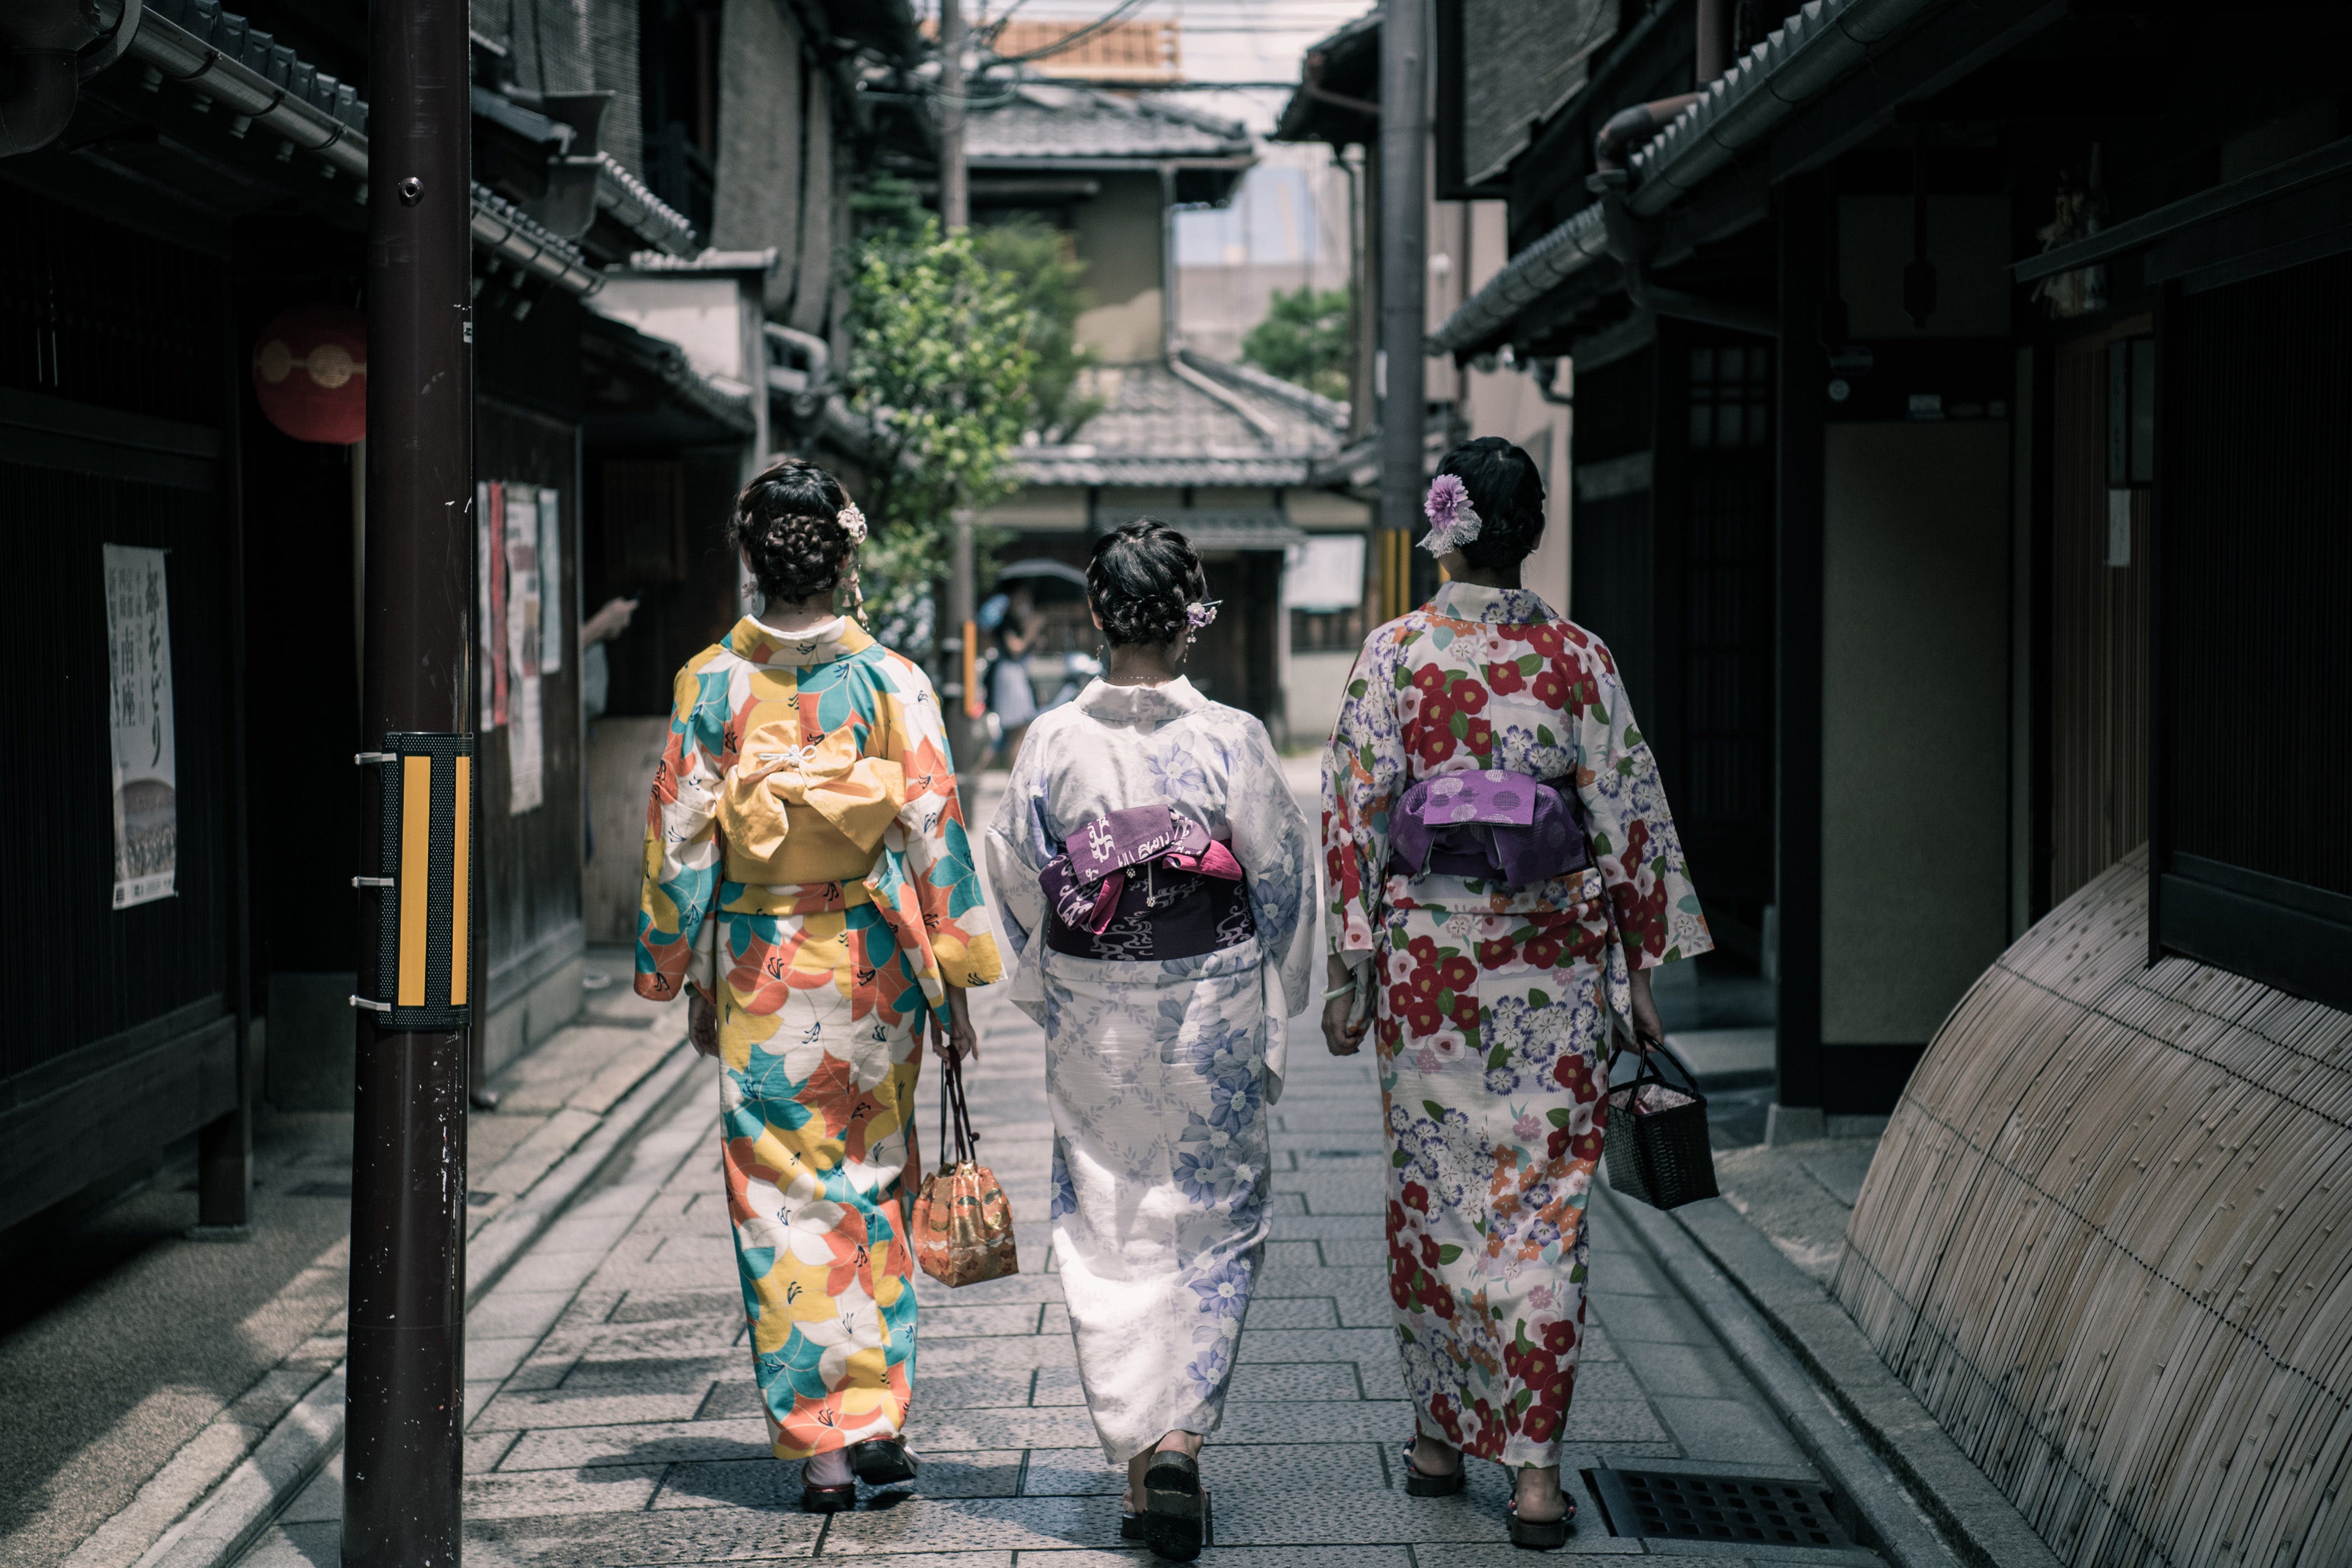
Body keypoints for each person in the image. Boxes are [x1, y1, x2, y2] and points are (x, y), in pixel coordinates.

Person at [1319, 438, 1711, 1550]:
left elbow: (1354, 817)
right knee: (1543, 1211)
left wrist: (1351, 974)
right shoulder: (1579, 659)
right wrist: (1641, 972)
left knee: (1437, 1198)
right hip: (1552, 966)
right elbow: (1630, 815)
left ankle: (1441, 1438)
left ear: (1441, 528)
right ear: (1530, 530)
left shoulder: (1395, 655)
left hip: (1432, 970)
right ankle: (1535, 1472)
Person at [634, 456, 1002, 1514]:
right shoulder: (893, 679)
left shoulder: (713, 681)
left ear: (751, 557)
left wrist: (678, 964)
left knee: (782, 1199)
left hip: (761, 959)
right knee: (875, 1175)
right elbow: (935, 824)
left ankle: (824, 1448)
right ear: (845, 556)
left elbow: (682, 838)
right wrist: (959, 975)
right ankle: (880, 1416)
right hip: (877, 956)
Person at [982, 521, 1315, 1563]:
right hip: (1210, 995)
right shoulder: (1233, 738)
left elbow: (1014, 872)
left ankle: (1140, 1461)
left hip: (1095, 1000)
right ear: (1190, 617)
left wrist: (1057, 961)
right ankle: (1180, 1437)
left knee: (1109, 1214)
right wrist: (1282, 978)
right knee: (1210, 1219)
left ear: (1095, 618)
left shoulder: (1051, 740)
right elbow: (1280, 881)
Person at [981, 585, 1044, 770]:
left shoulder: (1017, 621)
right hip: (1009, 676)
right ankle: (1012, 774)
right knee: (1015, 730)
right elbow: (1016, 648)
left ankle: (1010, 771)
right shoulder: (1006, 622)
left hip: (1019, 675)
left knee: (1022, 730)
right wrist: (1032, 630)